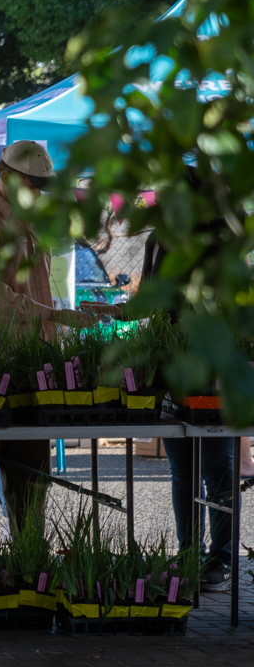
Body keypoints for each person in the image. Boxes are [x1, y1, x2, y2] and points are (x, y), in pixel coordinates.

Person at [0, 141, 111, 531]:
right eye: (32, 184)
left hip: (35, 364)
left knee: (31, 476)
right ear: (5, 178)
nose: (39, 193)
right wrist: (55, 314)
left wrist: (60, 321)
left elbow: (36, 288)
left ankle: (27, 569)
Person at [140, 174, 236, 591]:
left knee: (211, 467)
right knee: (192, 468)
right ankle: (195, 557)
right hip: (177, 365)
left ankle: (217, 558)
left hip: (201, 365)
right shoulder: (164, 239)